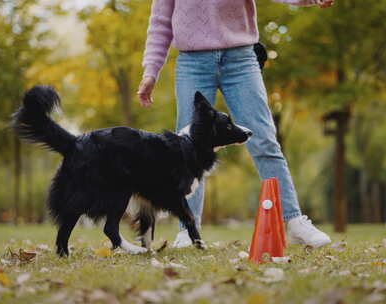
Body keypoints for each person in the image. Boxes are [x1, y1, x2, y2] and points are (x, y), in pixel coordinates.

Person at [137, 0, 334, 248]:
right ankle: (188, 231)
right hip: (192, 63)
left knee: (264, 140)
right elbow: (160, 22)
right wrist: (150, 72)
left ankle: (294, 221)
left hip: (240, 59)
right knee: (186, 150)